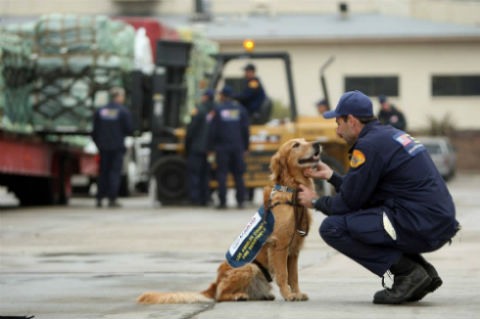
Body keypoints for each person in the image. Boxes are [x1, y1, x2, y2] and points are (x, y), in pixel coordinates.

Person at [297, 90, 460, 304]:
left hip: (419, 222)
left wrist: (315, 202)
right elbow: (363, 191)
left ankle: (408, 274)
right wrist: (331, 176)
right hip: (433, 220)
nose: (337, 131)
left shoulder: (368, 146)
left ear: (352, 121)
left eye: (339, 123)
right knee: (368, 217)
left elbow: (348, 203)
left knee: (333, 227)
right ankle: (421, 273)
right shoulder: (387, 135)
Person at [208, 86, 250, 209]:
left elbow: (213, 131)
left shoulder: (218, 110)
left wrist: (211, 147)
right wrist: (246, 147)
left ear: (223, 96)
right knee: (239, 174)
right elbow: (245, 130)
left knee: (222, 174)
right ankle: (241, 201)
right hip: (238, 147)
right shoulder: (240, 110)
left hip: (222, 148)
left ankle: (222, 202)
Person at [92, 87, 133, 208]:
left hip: (103, 147)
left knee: (103, 172)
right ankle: (112, 198)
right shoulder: (123, 111)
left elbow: (94, 131)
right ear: (119, 97)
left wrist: (99, 144)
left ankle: (99, 198)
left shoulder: (101, 111)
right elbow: (129, 129)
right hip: (117, 147)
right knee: (114, 172)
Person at [185, 89, 216, 206]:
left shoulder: (199, 110)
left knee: (195, 174)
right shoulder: (216, 110)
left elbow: (191, 130)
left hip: (197, 148)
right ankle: (206, 198)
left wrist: (187, 145)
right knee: (206, 174)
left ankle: (195, 199)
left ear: (206, 97)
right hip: (210, 150)